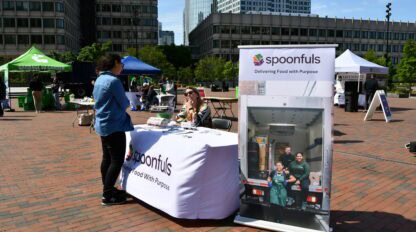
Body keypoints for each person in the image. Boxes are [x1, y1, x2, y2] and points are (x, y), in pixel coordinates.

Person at [93, 54, 134, 206]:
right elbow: (124, 103)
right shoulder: (114, 80)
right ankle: (108, 195)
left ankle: (107, 188)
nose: (122, 67)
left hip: (103, 123)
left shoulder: (100, 79)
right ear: (115, 63)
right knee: (116, 160)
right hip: (114, 124)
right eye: (121, 64)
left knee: (107, 159)